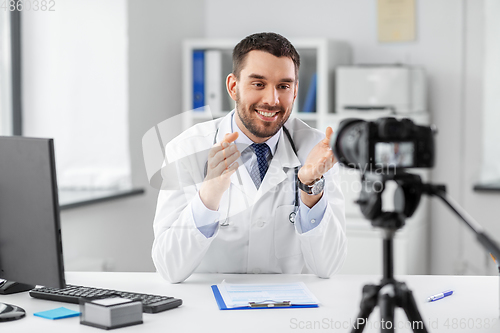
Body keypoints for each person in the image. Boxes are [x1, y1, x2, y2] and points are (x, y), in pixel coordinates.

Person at [152, 32, 347, 283]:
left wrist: (311, 188)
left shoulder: (317, 150)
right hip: (209, 310)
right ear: (233, 86)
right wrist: (209, 195)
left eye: (283, 86)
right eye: (258, 84)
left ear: (295, 90)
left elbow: (328, 266)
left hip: (287, 308)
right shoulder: (186, 149)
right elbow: (169, 267)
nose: (272, 100)